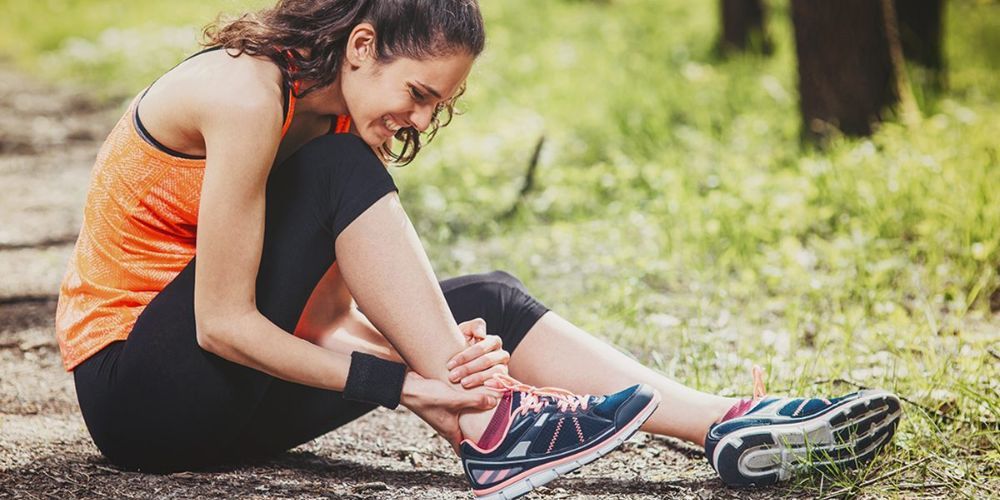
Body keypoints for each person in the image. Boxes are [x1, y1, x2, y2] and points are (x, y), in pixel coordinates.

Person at [54, 0, 902, 498]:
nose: (421, 121)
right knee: (349, 179)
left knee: (484, 303)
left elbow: (319, 324)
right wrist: (411, 382)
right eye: (419, 93)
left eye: (439, 107)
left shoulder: (337, 120)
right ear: (360, 47)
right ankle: (496, 432)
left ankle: (724, 424)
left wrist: (452, 372)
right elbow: (225, 326)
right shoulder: (243, 95)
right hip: (140, 397)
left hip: (230, 403)